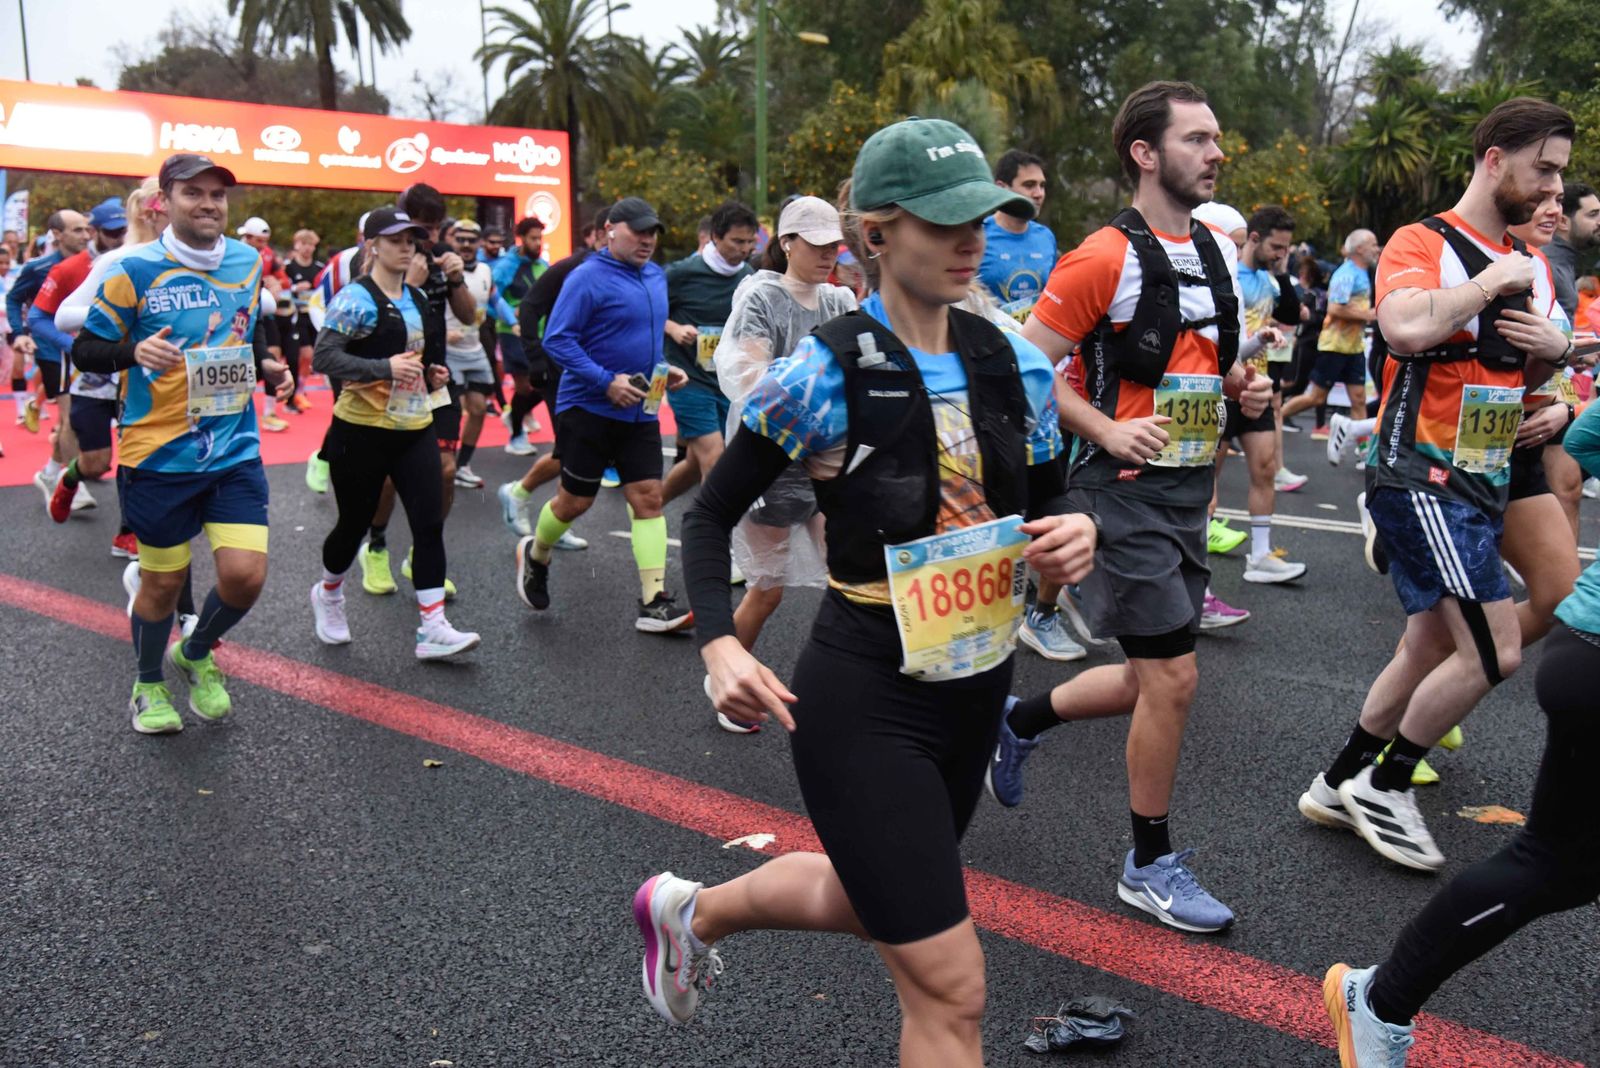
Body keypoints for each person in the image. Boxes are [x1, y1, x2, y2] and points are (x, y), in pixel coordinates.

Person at [635, 118, 1096, 1066]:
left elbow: (1055, 499)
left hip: (976, 687)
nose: (972, 240)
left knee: (872, 894)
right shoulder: (824, 371)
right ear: (876, 234)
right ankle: (693, 912)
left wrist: (1075, 529)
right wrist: (720, 643)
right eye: (944, 222)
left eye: (985, 218)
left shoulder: (1016, 362)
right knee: (952, 984)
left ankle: (691, 911)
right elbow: (710, 513)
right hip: (867, 698)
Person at [990, 81, 1275, 934]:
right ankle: (1148, 861)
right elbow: (1022, 369)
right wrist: (1106, 431)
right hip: (1117, 493)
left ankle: (1022, 718)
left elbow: (1198, 366)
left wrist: (1240, 389)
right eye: (1196, 139)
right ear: (1146, 155)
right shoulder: (1099, 257)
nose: (1216, 152)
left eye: (1217, 137)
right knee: (1175, 680)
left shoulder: (1220, 254)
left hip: (1188, 491)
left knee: (1156, 677)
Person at [1296, 98, 1574, 872]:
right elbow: (1405, 326)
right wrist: (1491, 282)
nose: (1552, 189)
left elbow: (1526, 377)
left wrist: (1554, 367)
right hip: (1420, 473)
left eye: (1560, 177)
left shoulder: (1535, 264)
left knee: (1427, 642)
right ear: (1495, 160)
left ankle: (1338, 780)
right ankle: (1387, 785)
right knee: (1497, 651)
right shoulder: (1425, 242)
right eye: (1542, 170)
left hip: (1484, 478)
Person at [1323, 397, 1600, 1068]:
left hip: (1582, 639)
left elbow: (1582, 441)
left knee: (1559, 867)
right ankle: (1371, 778)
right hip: (1434, 484)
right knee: (1553, 861)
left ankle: (1381, 993)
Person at [71, 153, 293, 734]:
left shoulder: (247, 261)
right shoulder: (134, 268)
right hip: (157, 455)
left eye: (217, 194)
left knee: (246, 575)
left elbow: (250, 324)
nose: (208, 204)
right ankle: (147, 686)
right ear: (163, 202)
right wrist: (133, 352)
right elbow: (88, 349)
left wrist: (269, 364)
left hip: (233, 447)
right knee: (164, 582)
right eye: (193, 193)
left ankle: (194, 653)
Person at [706, 194, 855, 732]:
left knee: (852, 573)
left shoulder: (839, 301)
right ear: (787, 242)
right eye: (814, 244)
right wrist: (815, 396)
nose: (827, 254)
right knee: (766, 590)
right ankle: (727, 682)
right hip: (772, 461)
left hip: (828, 460)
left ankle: (857, 687)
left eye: (833, 244)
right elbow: (746, 376)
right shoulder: (761, 296)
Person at [309, 208, 480, 660]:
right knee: (353, 525)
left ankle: (433, 627)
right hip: (360, 431)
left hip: (413, 424)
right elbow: (323, 358)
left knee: (428, 524)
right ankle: (328, 594)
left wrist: (433, 373)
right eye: (396, 240)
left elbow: (418, 361)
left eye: (412, 240)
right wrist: (382, 368)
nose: (407, 247)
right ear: (373, 246)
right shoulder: (355, 299)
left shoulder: (418, 298)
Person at [515, 198, 691, 630]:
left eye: (653, 233)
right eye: (638, 231)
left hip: (641, 409)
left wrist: (665, 372)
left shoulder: (654, 276)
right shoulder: (586, 278)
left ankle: (653, 601)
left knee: (648, 498)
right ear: (610, 229)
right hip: (588, 406)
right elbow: (557, 340)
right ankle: (536, 554)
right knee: (575, 501)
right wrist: (605, 380)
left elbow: (642, 340)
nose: (648, 240)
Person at [53, 178, 169, 560]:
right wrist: (126, 314)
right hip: (96, 378)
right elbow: (63, 317)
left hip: (147, 378)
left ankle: (128, 532)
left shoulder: (200, 259)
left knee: (138, 454)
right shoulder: (118, 259)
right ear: (153, 209)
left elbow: (263, 299)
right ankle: (70, 476)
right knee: (97, 462)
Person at [496, 208, 611, 549]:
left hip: (597, 373)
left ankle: (537, 506)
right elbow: (529, 307)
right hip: (560, 368)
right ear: (602, 234)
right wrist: (536, 359)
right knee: (570, 449)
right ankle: (521, 494)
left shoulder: (628, 272)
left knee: (579, 449)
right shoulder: (573, 266)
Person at [1210, 205, 1302, 585]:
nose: (1283, 254)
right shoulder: (1228, 275)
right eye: (1277, 247)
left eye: (1287, 249)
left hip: (1257, 384)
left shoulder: (1270, 281)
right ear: (1254, 239)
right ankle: (1196, 567)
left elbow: (1292, 316)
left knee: (1265, 467)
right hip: (1222, 385)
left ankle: (1260, 555)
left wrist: (1281, 276)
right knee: (1206, 480)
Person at [660, 201, 759, 506]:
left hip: (727, 382)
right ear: (715, 237)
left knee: (694, 463)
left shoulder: (749, 275)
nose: (744, 249)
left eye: (750, 242)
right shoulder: (682, 273)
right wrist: (673, 328)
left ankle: (649, 506)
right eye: (737, 241)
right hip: (687, 379)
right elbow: (645, 312)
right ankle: (713, 541)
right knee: (717, 460)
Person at [31, 200, 125, 516]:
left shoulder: (139, 259)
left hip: (129, 367)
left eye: (124, 230)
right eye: (112, 232)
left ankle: (130, 529)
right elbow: (37, 316)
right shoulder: (67, 268)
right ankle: (68, 479)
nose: (120, 237)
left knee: (137, 446)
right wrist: (71, 345)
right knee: (79, 436)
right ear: (93, 231)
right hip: (81, 367)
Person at [1280, 229, 1378, 438]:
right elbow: (1334, 309)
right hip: (1334, 346)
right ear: (1359, 248)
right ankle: (1274, 420)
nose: (1376, 249)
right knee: (1315, 397)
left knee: (1359, 399)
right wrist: (1368, 314)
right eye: (1373, 244)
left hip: (1354, 347)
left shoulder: (1363, 273)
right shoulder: (1346, 273)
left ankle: (1362, 453)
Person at [442, 218, 498, 489]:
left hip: (474, 348)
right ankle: (445, 464)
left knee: (478, 409)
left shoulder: (487, 269)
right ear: (452, 240)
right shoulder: (442, 268)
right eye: (460, 239)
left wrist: (514, 320)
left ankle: (462, 464)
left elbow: (493, 301)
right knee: (451, 413)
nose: (465, 244)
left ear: (479, 243)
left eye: (471, 240)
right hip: (448, 351)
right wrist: (441, 333)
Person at [977, 148, 1058, 322]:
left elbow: (1052, 296)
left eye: (1042, 185)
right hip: (989, 343)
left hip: (1032, 344)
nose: (1039, 194)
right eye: (1029, 185)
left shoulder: (1046, 237)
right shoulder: (979, 234)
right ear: (1001, 188)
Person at [491, 216, 548, 456]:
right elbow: (491, 298)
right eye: (533, 238)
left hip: (541, 334)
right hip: (511, 333)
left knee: (546, 384)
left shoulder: (543, 265)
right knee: (524, 388)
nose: (538, 243)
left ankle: (513, 415)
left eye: (540, 238)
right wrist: (509, 314)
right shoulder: (505, 266)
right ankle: (515, 437)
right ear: (522, 238)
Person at [283, 228, 323, 412]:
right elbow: (281, 287)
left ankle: (300, 388)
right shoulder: (288, 267)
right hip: (294, 316)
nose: (307, 248)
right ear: (296, 245)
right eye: (303, 244)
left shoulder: (319, 269)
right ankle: (294, 392)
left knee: (309, 357)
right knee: (302, 354)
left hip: (313, 316)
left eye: (310, 245)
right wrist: (294, 288)